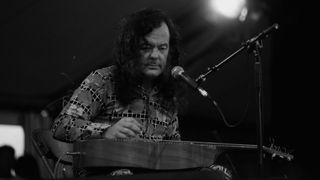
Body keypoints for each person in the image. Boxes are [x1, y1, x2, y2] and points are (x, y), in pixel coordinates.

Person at [51, 8, 231, 180]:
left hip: (155, 175)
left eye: (162, 48)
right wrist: (105, 131)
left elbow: (174, 148)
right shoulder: (102, 80)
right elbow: (62, 125)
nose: (155, 55)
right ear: (130, 49)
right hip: (104, 173)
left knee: (215, 175)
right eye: (146, 47)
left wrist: (200, 165)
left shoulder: (167, 93)